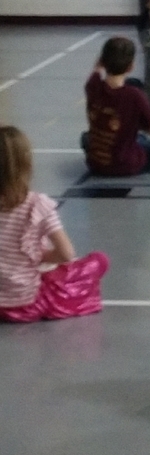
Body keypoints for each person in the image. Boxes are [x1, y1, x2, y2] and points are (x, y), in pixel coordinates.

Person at [0, 126, 109, 322]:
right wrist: (41, 256)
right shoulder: (37, 205)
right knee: (98, 260)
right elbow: (66, 253)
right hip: (25, 302)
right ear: (26, 164)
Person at [81, 36, 150, 176]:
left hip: (96, 164)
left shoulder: (92, 85)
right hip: (126, 164)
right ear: (131, 67)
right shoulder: (134, 95)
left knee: (86, 137)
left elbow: (96, 71)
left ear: (102, 61)